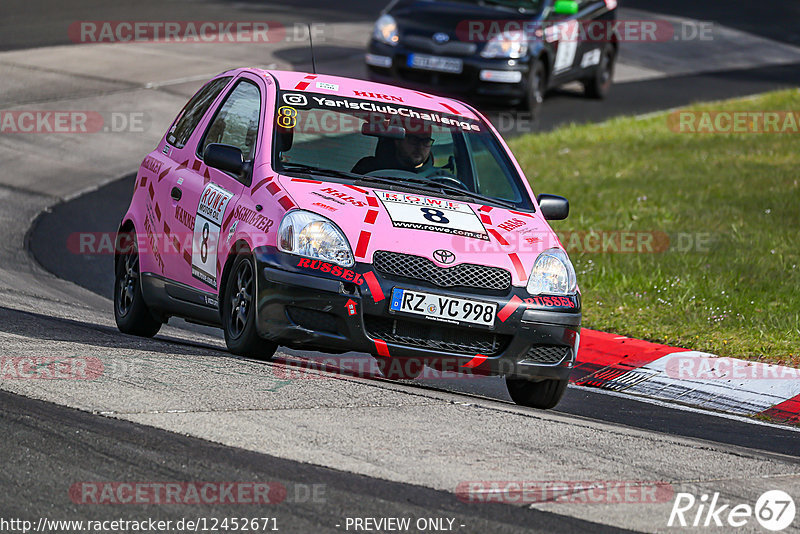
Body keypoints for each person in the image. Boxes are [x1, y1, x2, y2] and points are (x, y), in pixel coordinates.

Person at [352, 119, 435, 175]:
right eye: (413, 139)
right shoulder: (368, 169)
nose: (420, 146)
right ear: (397, 140)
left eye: (426, 141)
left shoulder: (438, 179)